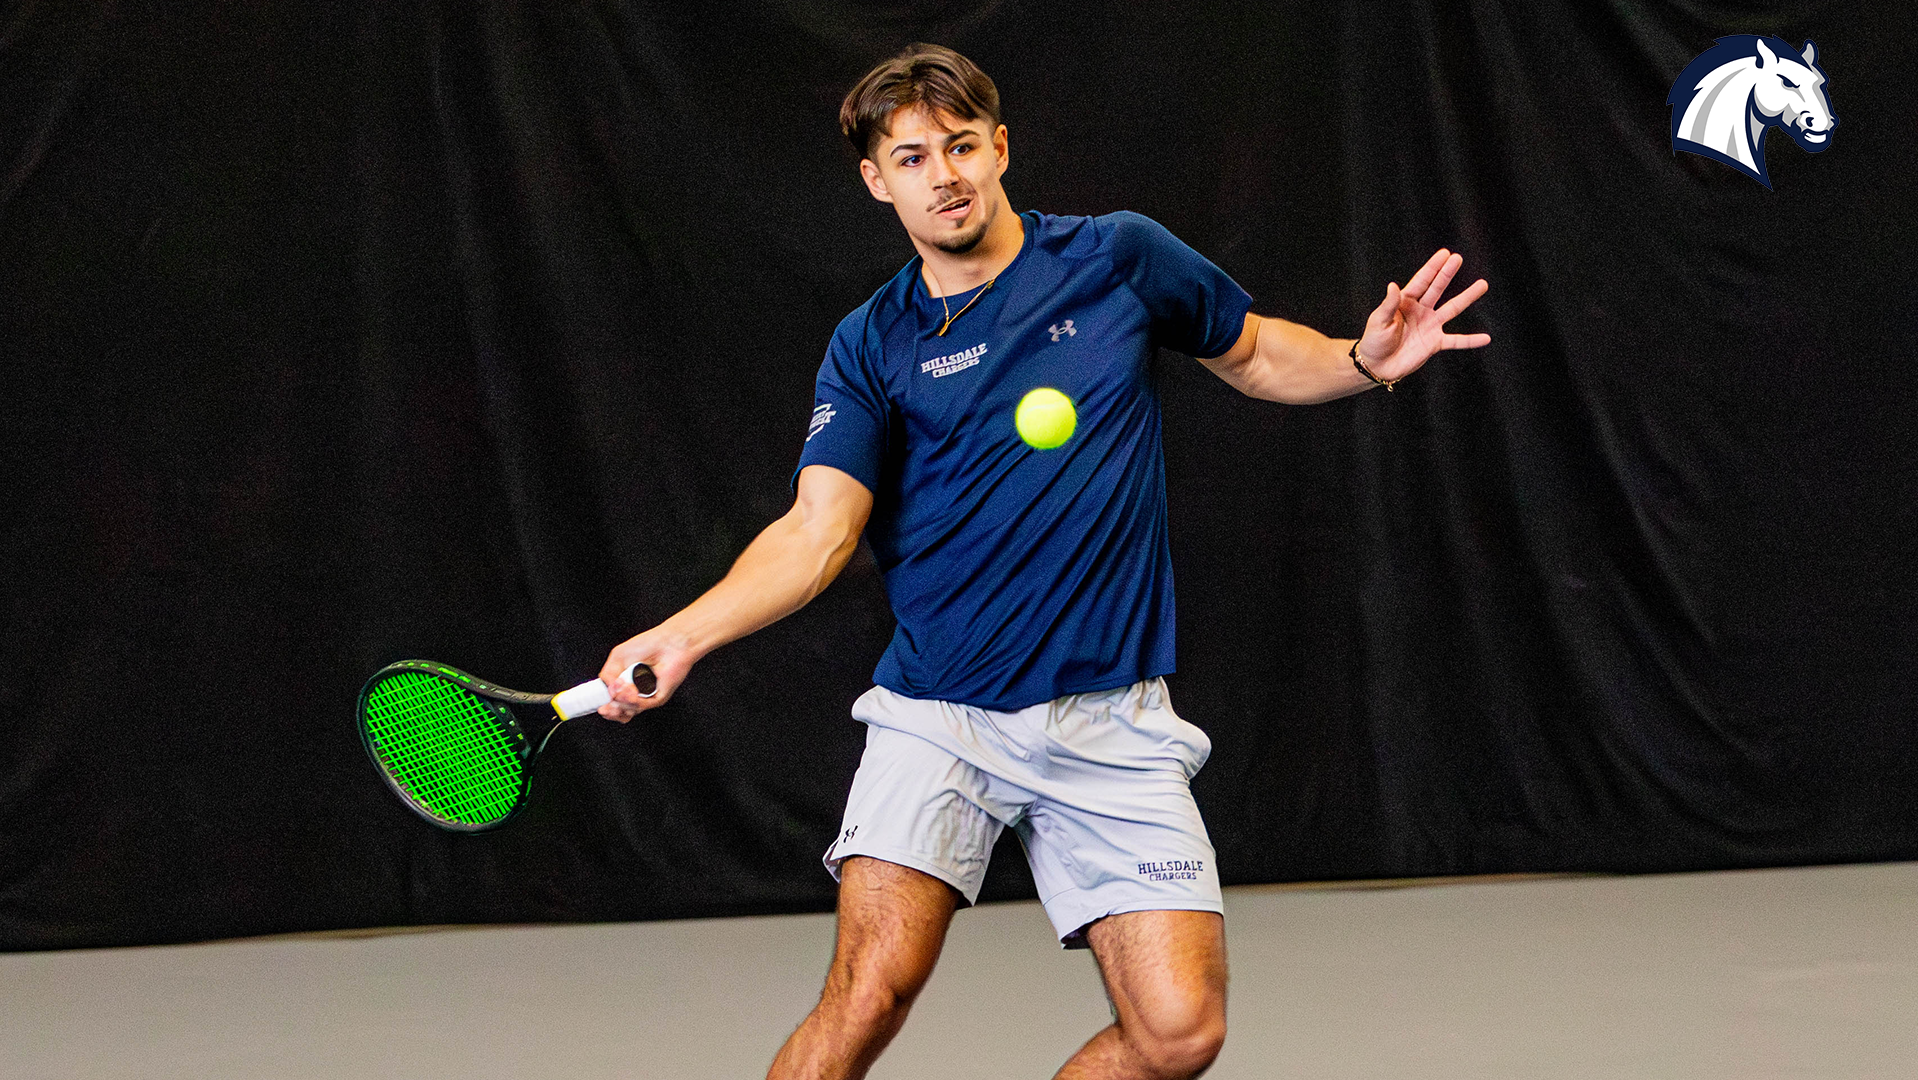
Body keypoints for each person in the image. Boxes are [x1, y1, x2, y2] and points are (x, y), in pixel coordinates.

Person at [593, 43, 1490, 1080]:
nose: (947, 174)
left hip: (1110, 717)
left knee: (1177, 1031)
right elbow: (817, 529)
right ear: (877, 182)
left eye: (964, 145)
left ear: (1001, 146)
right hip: (942, 717)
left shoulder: (1117, 258)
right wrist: (683, 633)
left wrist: (1358, 360)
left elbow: (1249, 352)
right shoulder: (871, 344)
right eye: (916, 156)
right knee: (867, 995)